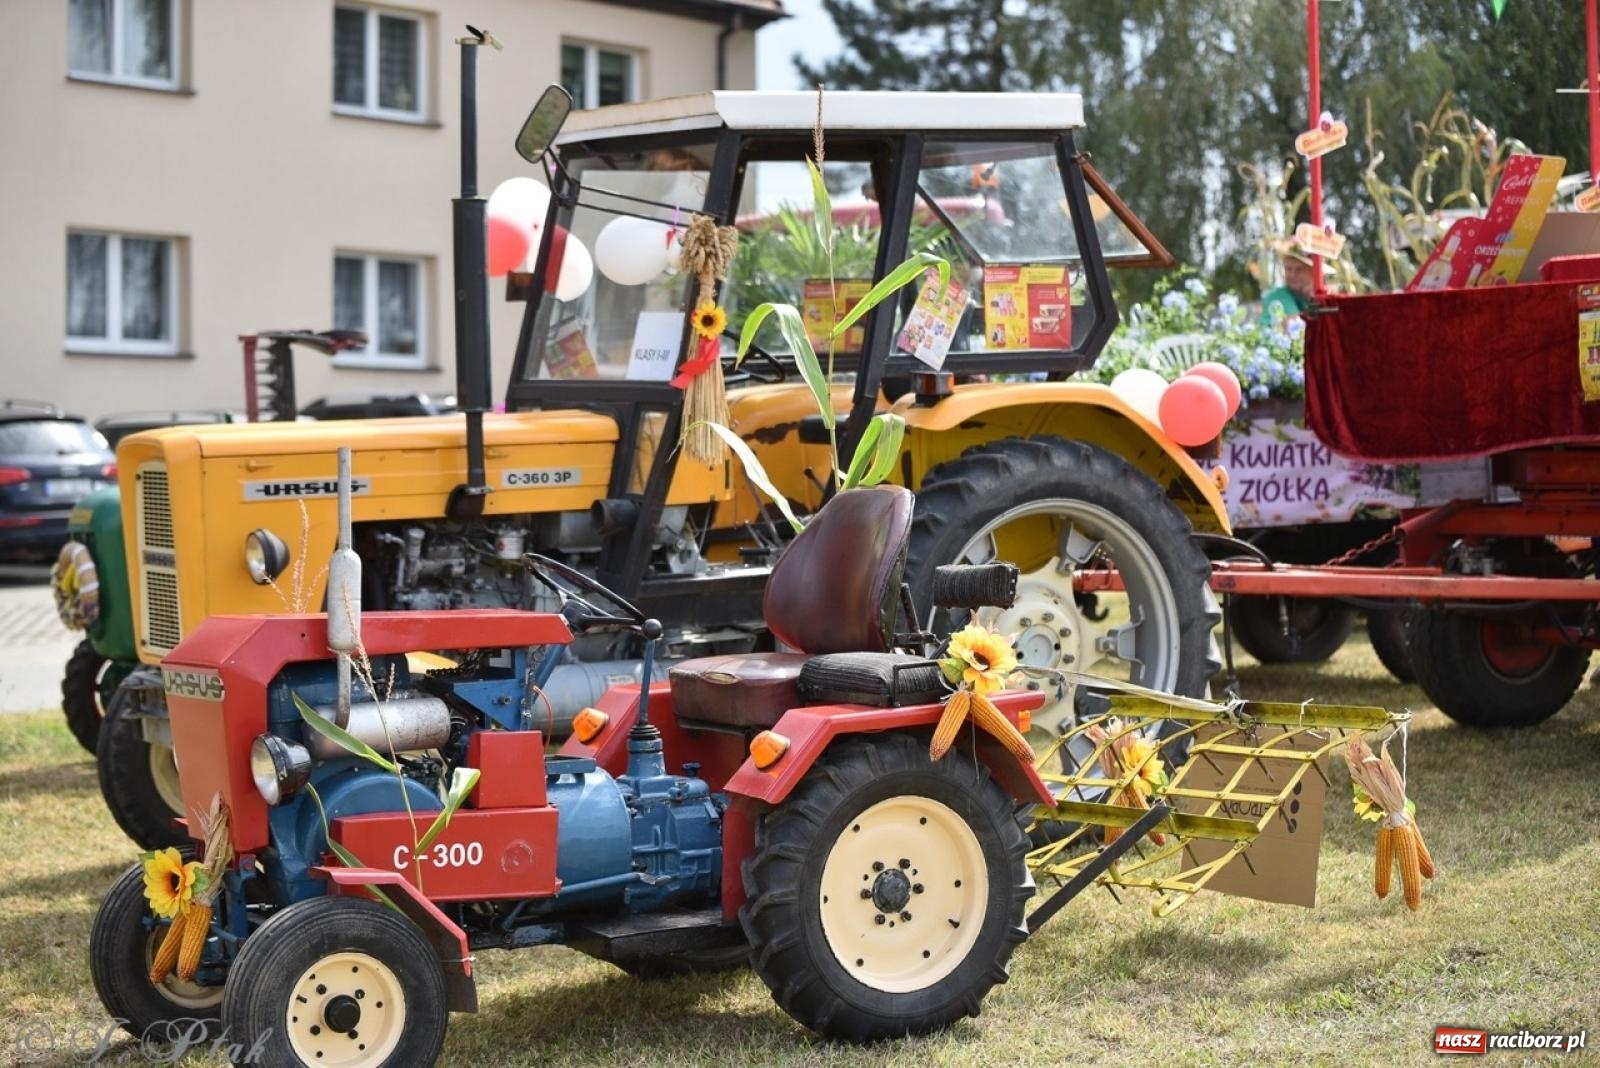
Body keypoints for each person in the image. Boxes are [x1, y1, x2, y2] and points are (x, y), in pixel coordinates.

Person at [1259, 245, 1316, 326]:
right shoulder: (1276, 296)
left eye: (1299, 269)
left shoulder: (1311, 297)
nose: (1293, 275)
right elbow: (1294, 325)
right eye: (1288, 269)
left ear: (1312, 272)